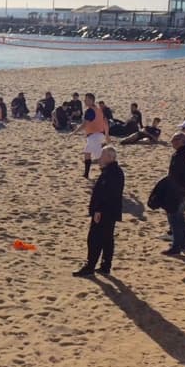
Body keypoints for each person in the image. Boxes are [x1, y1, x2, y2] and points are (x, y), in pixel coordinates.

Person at [73, 146, 124, 277]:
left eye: (103, 156)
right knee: (107, 239)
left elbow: (108, 194)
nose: (100, 158)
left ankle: (90, 266)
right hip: (109, 211)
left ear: (110, 158)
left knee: (95, 239)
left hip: (105, 212)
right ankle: (105, 266)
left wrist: (98, 210)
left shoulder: (112, 173)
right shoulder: (111, 171)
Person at [163, 132, 185, 255]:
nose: (172, 142)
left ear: (181, 141)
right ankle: (183, 243)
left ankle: (176, 246)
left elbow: (174, 175)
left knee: (174, 218)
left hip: (178, 191)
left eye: (175, 140)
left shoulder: (179, 155)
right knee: (180, 217)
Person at [71, 93, 110, 179]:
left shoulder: (89, 111)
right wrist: (106, 135)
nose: (84, 101)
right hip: (98, 135)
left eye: (86, 99)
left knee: (99, 157)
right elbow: (106, 122)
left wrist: (74, 132)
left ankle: (107, 175)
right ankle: (86, 174)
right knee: (87, 153)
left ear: (91, 101)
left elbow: (84, 124)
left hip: (94, 136)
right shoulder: (98, 110)